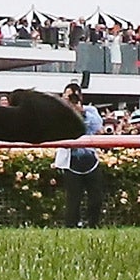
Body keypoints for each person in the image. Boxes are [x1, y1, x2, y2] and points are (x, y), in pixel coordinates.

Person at [54, 83, 105, 228]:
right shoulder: (60, 113)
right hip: (71, 160)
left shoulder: (91, 110)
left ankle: (93, 224)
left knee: (96, 197)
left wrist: (81, 112)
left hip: (90, 158)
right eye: (68, 96)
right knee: (73, 198)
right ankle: (71, 225)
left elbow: (97, 127)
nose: (71, 99)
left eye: (74, 96)